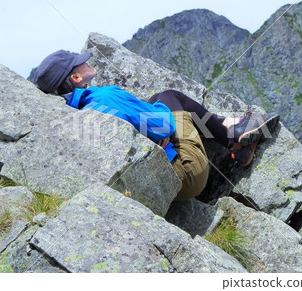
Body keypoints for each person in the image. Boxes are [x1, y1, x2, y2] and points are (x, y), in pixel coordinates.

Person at [33, 50, 280, 201]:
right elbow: (164, 127)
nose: (86, 60)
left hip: (151, 188)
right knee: (173, 98)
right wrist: (159, 127)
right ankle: (232, 135)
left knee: (155, 101)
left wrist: (149, 138)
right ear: (76, 78)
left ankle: (229, 129)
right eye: (80, 62)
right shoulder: (103, 97)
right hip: (185, 175)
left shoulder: (80, 111)